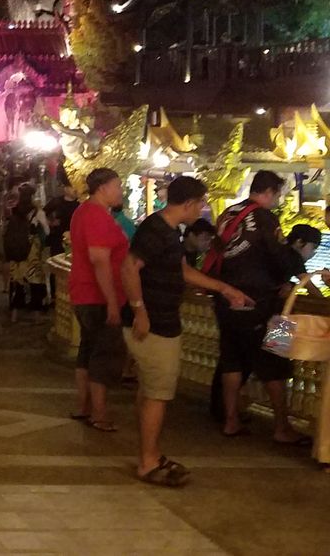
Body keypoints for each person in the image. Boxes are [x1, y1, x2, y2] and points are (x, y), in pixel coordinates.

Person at [120, 175, 252, 486]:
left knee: (151, 390)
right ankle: (148, 461)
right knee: (157, 393)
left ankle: (151, 452)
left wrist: (223, 288)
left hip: (163, 320)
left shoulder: (167, 231)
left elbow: (181, 270)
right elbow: (128, 267)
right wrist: (140, 311)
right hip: (156, 324)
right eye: (201, 203)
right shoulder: (156, 229)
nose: (202, 209)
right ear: (189, 203)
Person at [212, 171, 313, 443]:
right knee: (276, 360)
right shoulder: (265, 218)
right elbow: (280, 257)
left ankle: (230, 420)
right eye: (278, 195)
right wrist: (294, 277)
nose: (278, 200)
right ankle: (282, 427)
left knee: (231, 360)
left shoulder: (229, 213)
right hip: (264, 303)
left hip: (225, 300)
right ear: (268, 192)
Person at [67, 168, 129, 432]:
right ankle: (99, 414)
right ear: (103, 188)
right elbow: (100, 260)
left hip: (85, 293)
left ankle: (85, 406)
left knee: (88, 350)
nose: (121, 191)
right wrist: (112, 301)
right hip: (97, 296)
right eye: (118, 186)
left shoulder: (84, 211)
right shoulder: (95, 215)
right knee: (104, 355)